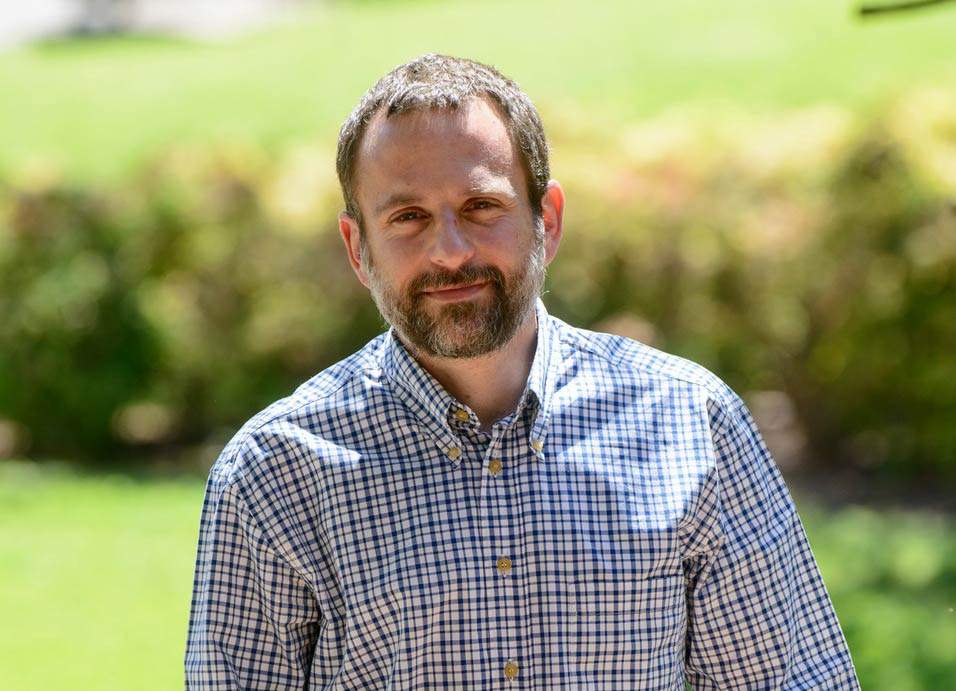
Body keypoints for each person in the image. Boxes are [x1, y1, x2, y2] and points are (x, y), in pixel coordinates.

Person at [184, 53, 860, 689]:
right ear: (358, 247)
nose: (451, 252)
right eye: (408, 217)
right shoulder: (273, 476)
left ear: (548, 220)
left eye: (481, 207)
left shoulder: (691, 422)